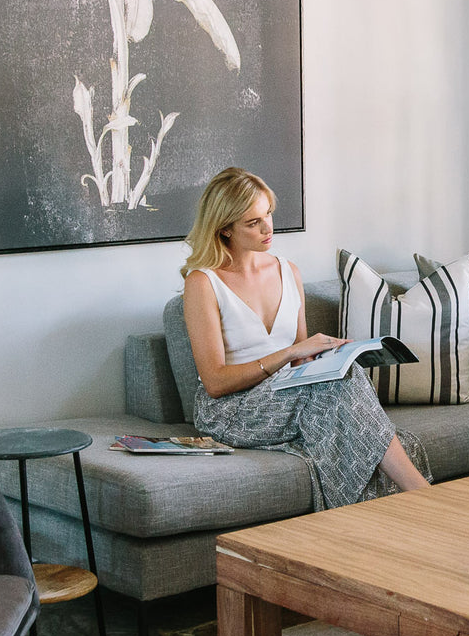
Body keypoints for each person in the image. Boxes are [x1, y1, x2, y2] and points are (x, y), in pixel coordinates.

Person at [180, 167, 430, 509]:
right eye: (253, 223)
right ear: (225, 228)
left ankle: (401, 507)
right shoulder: (203, 282)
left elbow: (301, 359)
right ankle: (422, 495)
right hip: (231, 409)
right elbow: (215, 382)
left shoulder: (288, 271)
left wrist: (330, 355)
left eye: (268, 214)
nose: (268, 228)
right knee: (343, 401)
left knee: (348, 374)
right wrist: (289, 353)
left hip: (287, 393)